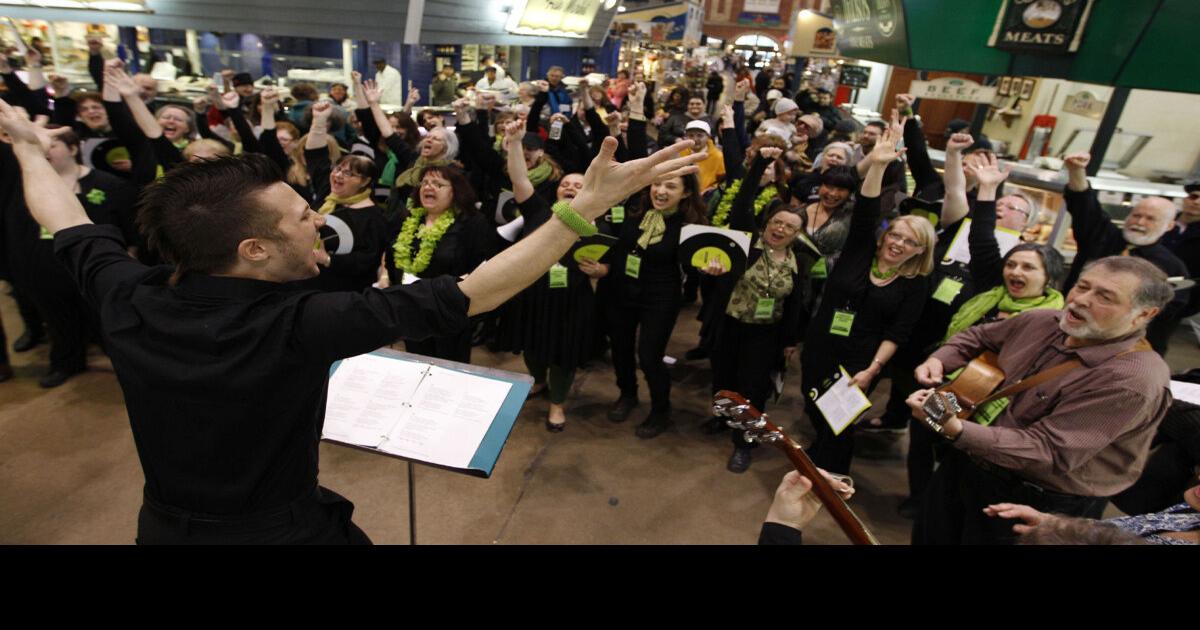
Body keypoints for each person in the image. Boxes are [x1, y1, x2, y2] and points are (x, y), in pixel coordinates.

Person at [0, 96, 705, 544]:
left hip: (161, 527)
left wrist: (29, 149)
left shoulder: (126, 295)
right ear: (253, 249)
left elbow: (63, 216)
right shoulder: (299, 323)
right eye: (306, 219)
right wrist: (582, 211)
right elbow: (475, 293)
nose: (321, 225)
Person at [908, 255, 1175, 545]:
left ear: (1144, 315)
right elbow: (979, 336)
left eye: (1105, 297)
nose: (1082, 300)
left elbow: (1049, 451)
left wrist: (955, 429)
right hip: (967, 462)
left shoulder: (1132, 380)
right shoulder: (1043, 321)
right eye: (1082, 286)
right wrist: (939, 360)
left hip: (1035, 498)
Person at [897, 156, 1065, 519]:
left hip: (1000, 407)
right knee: (925, 431)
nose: (1016, 272)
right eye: (1012, 265)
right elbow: (984, 240)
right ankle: (919, 495)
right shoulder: (991, 289)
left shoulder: (1055, 320)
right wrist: (987, 191)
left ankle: (942, 503)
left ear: (1049, 278)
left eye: (1028, 268)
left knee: (959, 454)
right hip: (959, 386)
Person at [802, 124, 932, 476]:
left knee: (840, 420)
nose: (898, 244)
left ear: (920, 250)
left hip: (861, 358)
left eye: (910, 242)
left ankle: (831, 473)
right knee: (814, 405)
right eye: (896, 235)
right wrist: (876, 165)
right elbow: (867, 210)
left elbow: (897, 333)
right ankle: (818, 451)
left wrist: (872, 370)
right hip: (821, 342)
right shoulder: (860, 251)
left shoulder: (914, 283)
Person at [701, 147, 807, 473]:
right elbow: (743, 200)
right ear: (767, 222)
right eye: (777, 222)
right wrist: (761, 162)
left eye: (789, 227)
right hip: (730, 323)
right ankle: (722, 418)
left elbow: (797, 304)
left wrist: (791, 340)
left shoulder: (799, 261)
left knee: (753, 388)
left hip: (766, 333)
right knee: (723, 376)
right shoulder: (746, 242)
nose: (780, 229)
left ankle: (744, 443)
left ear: (797, 234)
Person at [595, 147, 708, 439]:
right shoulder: (635, 209)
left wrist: (713, 266)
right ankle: (627, 394)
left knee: (649, 355)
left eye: (670, 186)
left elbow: (703, 262)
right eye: (658, 183)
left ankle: (660, 410)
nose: (660, 190)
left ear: (684, 193)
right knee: (620, 348)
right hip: (622, 290)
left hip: (660, 296)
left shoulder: (689, 227)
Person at [500, 121, 598, 431]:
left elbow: (613, 261)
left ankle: (557, 403)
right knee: (532, 346)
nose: (570, 187)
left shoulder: (596, 224)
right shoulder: (540, 212)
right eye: (566, 184)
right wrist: (514, 144)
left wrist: (602, 270)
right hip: (534, 293)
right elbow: (519, 178)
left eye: (578, 186)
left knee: (562, 354)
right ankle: (538, 381)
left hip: (571, 300)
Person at [1061, 151, 1189, 355]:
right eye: (1136, 215)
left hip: (1120, 350)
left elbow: (1168, 317)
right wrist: (1076, 170)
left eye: (1150, 219)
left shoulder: (1171, 266)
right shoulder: (1103, 237)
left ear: (1169, 225)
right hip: (1068, 329)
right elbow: (1084, 205)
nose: (1139, 222)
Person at [300, 100, 388, 293]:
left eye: (348, 173)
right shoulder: (327, 191)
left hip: (343, 292)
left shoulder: (374, 217)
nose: (338, 175)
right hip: (306, 282)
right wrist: (319, 120)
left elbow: (368, 260)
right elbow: (315, 155)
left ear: (365, 181)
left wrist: (328, 259)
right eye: (338, 169)